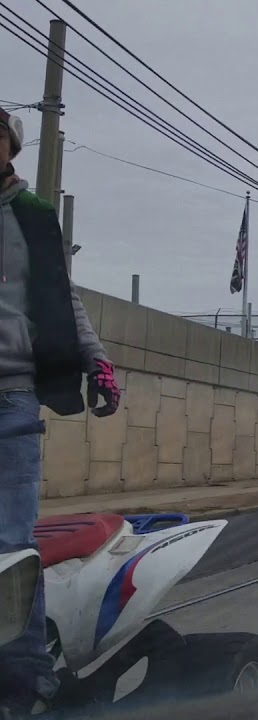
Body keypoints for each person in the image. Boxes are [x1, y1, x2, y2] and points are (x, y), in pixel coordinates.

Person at [0, 109, 120, 715]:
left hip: (10, 400)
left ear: (11, 149)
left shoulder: (34, 217)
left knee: (10, 552)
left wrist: (96, 362)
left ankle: (27, 687)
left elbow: (61, 297)